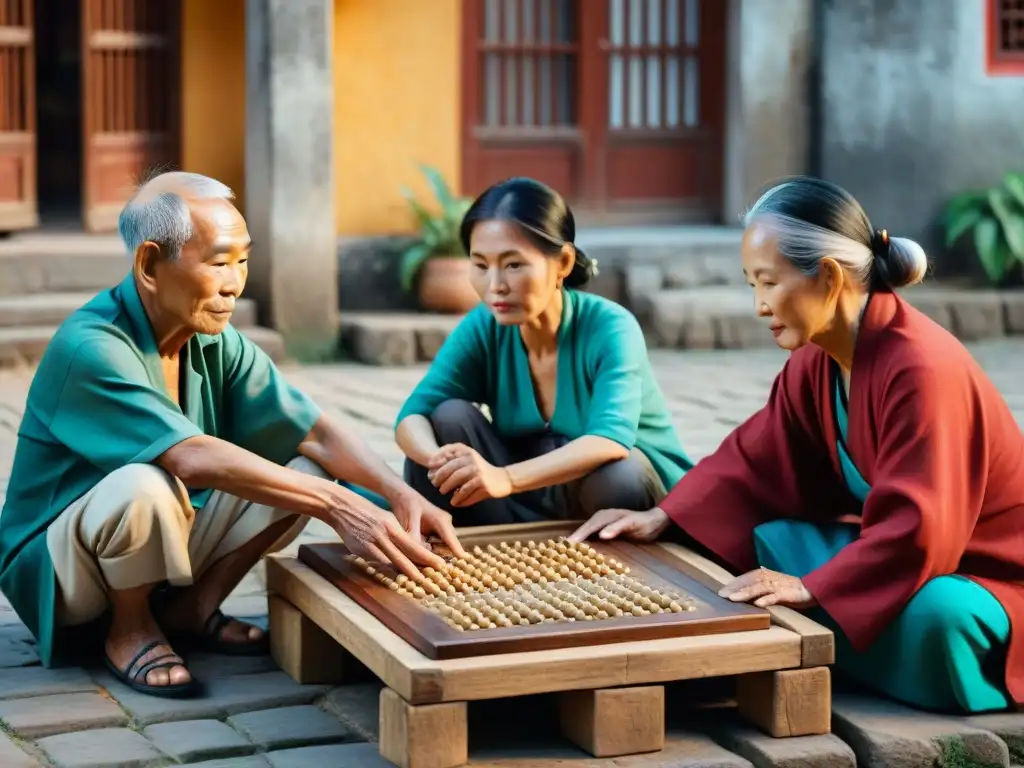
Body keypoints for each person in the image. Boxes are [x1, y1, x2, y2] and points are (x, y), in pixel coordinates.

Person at [0, 171, 465, 699]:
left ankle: (194, 609)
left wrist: (399, 494)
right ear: (150, 265)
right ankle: (130, 627)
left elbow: (314, 430)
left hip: (160, 532)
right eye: (218, 262)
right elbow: (192, 459)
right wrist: (339, 508)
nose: (235, 282)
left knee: (305, 470)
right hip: (64, 570)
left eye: (242, 260)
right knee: (145, 485)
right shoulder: (91, 347)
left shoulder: (211, 337)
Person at [570, 176, 1024, 715]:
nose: (760, 305)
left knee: (941, 620)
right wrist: (665, 516)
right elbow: (756, 459)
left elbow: (921, 527)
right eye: (751, 285)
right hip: (899, 556)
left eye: (768, 282)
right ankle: (818, 637)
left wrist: (812, 588)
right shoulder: (819, 359)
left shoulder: (923, 369)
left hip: (983, 573)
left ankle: (808, 637)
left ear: (828, 277)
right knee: (758, 542)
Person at [394, 177, 693, 526]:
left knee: (618, 475)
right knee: (446, 418)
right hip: (526, 495)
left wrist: (504, 478)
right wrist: (441, 461)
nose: (495, 286)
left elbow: (609, 440)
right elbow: (412, 416)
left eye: (513, 264)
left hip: (620, 499)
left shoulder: (610, 327)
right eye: (480, 266)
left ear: (563, 263)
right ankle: (485, 549)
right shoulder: (483, 326)